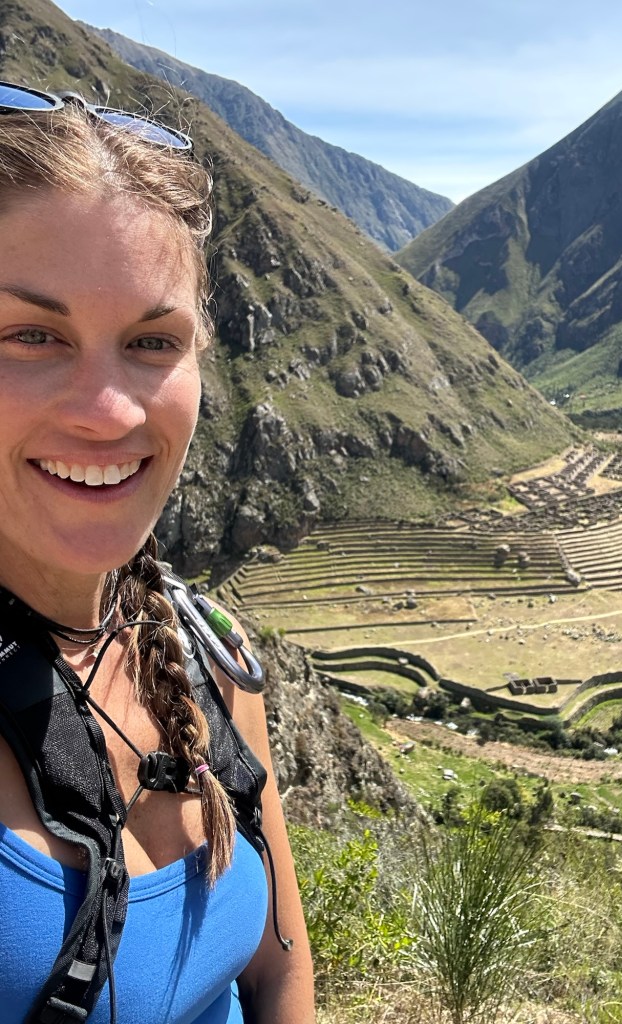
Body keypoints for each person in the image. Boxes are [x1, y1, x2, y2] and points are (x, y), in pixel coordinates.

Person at [0, 84, 315, 1023]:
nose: (109, 412)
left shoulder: (208, 654)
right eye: (31, 335)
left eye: (152, 340)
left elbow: (277, 971)